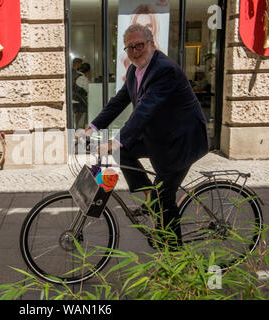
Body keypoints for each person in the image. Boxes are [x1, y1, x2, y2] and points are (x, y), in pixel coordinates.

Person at [80, 24, 208, 247]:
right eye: (129, 47)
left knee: (165, 197)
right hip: (161, 135)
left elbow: (144, 111)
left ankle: (174, 255)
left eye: (139, 45)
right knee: (125, 155)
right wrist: (92, 127)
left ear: (151, 44)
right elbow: (119, 102)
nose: (134, 51)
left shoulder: (164, 70)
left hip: (182, 141)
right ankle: (149, 197)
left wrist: (115, 141)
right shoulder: (135, 69)